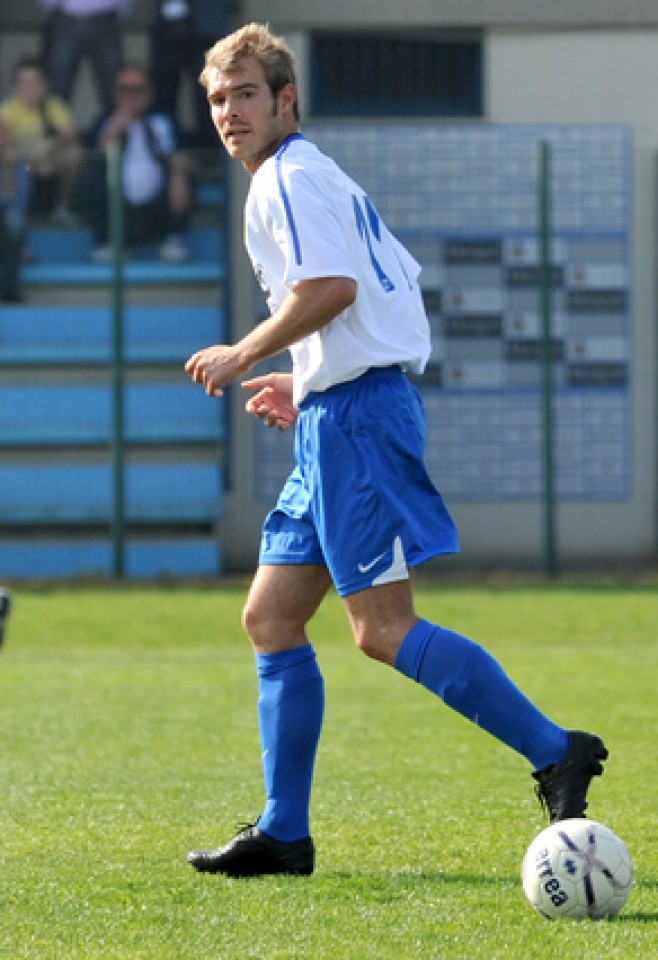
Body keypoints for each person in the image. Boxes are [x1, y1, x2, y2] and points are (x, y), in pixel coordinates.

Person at [183, 23, 608, 878]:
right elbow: (386, 297)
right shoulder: (316, 177)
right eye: (219, 99)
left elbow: (333, 289)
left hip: (358, 424)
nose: (231, 113)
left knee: (381, 629)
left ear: (286, 100)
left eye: (246, 95)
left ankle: (556, 748)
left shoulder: (288, 181)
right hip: (338, 414)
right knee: (270, 617)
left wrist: (248, 353)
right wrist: (309, 382)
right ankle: (284, 832)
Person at [80, 64, 193, 263]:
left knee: (184, 177)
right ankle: (109, 243)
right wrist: (115, 128)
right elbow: (92, 156)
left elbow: (182, 153)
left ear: (149, 93)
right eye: (125, 90)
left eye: (138, 90)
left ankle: (173, 238)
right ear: (116, 94)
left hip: (158, 206)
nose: (131, 96)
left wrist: (178, 175)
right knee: (91, 178)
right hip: (119, 207)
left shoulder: (163, 121)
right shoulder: (105, 121)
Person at [0, 57, 83, 224]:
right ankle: (13, 215)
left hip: (44, 162)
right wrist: (30, 150)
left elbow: (71, 132)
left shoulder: (52, 106)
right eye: (22, 83)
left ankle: (61, 207)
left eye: (33, 83)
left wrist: (50, 144)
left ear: (44, 85)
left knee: (74, 153)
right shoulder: (7, 110)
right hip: (16, 166)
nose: (28, 88)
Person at [149, 0, 235, 149]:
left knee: (209, 93)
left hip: (207, 22)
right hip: (167, 23)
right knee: (164, 93)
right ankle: (167, 150)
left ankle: (210, 155)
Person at [38, 0, 132, 118]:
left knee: (114, 87)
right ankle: (54, 133)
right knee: (58, 87)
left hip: (106, 18)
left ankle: (117, 133)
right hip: (67, 17)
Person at [0, 117, 27, 302]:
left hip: (6, 213)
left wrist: (10, 169)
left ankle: (9, 289)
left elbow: (15, 199)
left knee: (13, 225)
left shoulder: (19, 163)